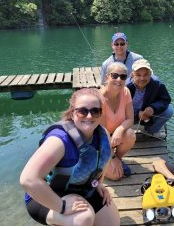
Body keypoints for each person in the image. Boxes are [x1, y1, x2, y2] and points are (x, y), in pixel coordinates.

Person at [20, 88, 120, 226]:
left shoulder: (102, 135)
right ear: (72, 113)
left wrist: (98, 183)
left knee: (112, 223)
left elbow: (103, 160)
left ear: (101, 114)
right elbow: (28, 179)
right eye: (82, 111)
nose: (89, 116)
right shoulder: (59, 140)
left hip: (84, 190)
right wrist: (61, 206)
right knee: (83, 218)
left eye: (95, 111)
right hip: (47, 196)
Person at [100, 62, 136, 180]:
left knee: (130, 134)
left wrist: (120, 130)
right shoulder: (100, 99)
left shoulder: (126, 92)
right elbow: (102, 135)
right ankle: (104, 162)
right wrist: (112, 158)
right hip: (99, 140)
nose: (119, 79)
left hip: (113, 135)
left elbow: (130, 119)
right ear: (107, 77)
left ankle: (117, 159)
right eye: (114, 76)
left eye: (123, 76)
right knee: (116, 176)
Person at [126, 58, 173, 139]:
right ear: (132, 74)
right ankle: (123, 131)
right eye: (138, 75)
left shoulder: (157, 84)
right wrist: (137, 114)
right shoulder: (126, 86)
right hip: (128, 117)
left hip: (146, 117)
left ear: (150, 74)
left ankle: (151, 131)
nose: (142, 78)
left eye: (146, 74)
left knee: (169, 110)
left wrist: (153, 108)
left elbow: (165, 100)